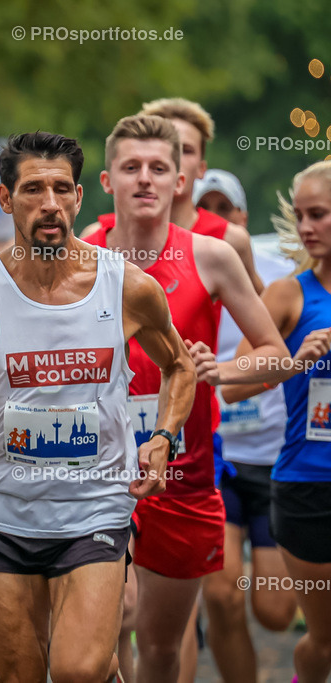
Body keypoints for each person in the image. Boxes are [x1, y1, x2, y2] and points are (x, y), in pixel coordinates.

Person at [0, 131, 199, 682]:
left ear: (78, 197)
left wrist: (163, 438)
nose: (49, 204)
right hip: (2, 514)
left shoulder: (126, 286)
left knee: (78, 671)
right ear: (6, 200)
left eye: (61, 189)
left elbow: (180, 366)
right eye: (32, 189)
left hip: (95, 509)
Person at [82, 114, 290, 683]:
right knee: (105, 629)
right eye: (131, 168)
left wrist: (218, 371)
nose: (145, 180)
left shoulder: (211, 256)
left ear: (181, 181)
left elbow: (275, 355)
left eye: (159, 168)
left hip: (185, 475)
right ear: (108, 181)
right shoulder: (81, 255)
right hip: (95, 474)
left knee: (160, 647)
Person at [217, 159, 331, 683]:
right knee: (324, 640)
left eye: (320, 215)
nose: (306, 227)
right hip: (308, 485)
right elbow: (236, 382)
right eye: (301, 216)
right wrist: (294, 362)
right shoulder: (289, 295)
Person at [194, 169, 298, 683]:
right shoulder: (185, 272)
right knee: (220, 594)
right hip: (220, 459)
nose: (215, 218)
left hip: (279, 461)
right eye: (203, 208)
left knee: (276, 614)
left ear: (242, 218)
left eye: (224, 208)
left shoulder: (284, 280)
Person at [82, 98, 263, 294]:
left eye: (186, 150)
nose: (175, 158)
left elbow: (270, 315)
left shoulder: (229, 239)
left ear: (202, 167)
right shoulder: (96, 238)